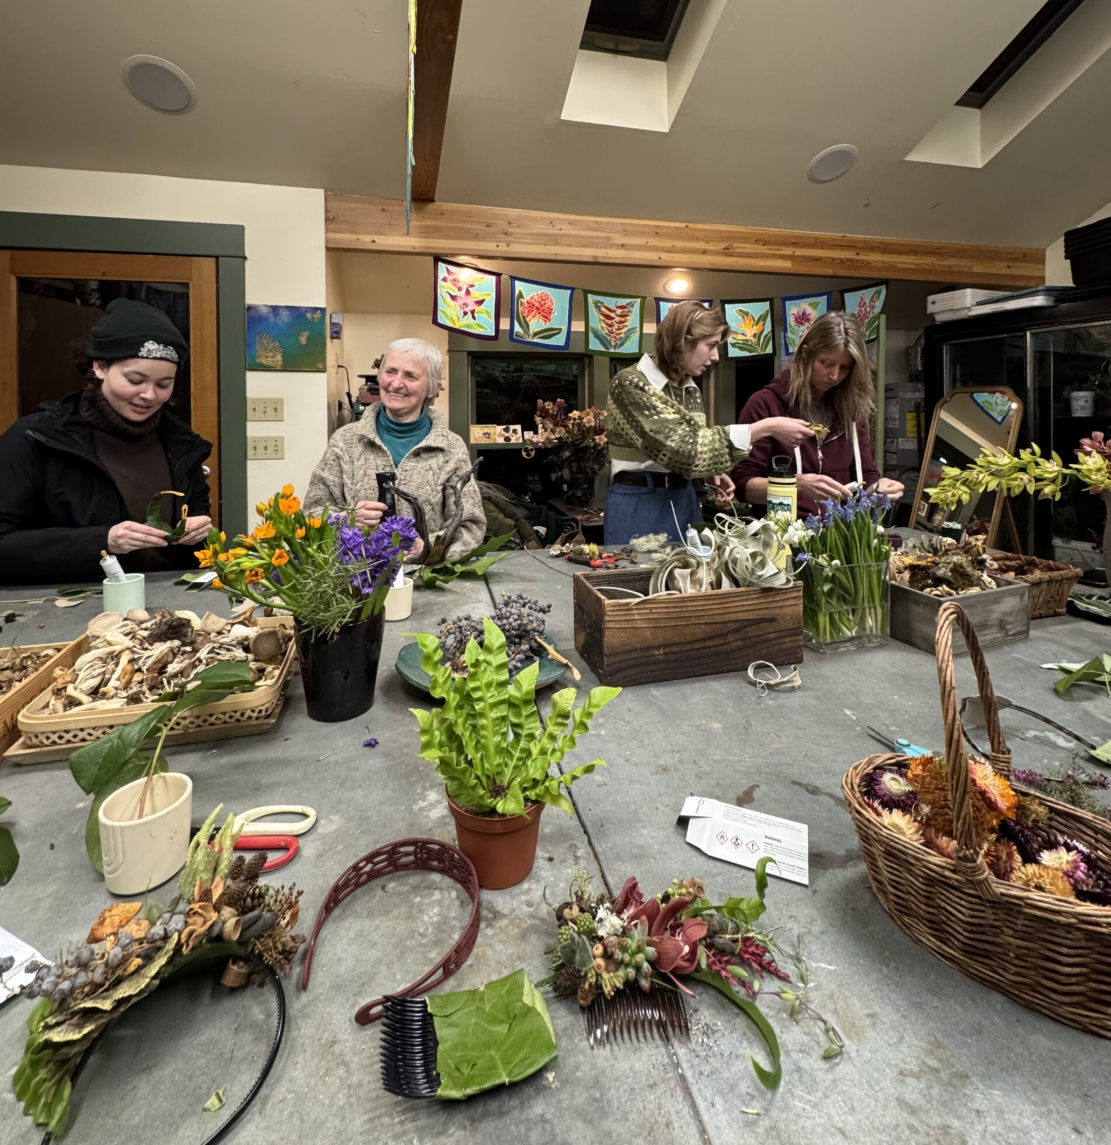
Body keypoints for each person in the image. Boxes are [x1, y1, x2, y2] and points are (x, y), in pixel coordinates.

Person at [0, 299, 213, 584]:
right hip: (67, 612)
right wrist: (103, 541)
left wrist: (199, 530)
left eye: (164, 384)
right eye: (135, 380)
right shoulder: (35, 438)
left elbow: (196, 510)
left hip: (171, 599)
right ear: (100, 367)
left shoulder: (182, 442)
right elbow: (4, 546)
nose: (150, 395)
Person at [604, 300, 813, 544]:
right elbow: (683, 449)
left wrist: (710, 473)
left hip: (684, 496)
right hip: (639, 501)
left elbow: (690, 454)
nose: (715, 357)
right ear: (682, 341)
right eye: (711, 345)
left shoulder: (690, 388)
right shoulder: (631, 383)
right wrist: (766, 427)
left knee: (692, 578)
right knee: (633, 579)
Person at [305, 337, 484, 560]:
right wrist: (346, 519)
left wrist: (427, 548)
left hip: (427, 585)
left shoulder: (451, 448)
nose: (396, 383)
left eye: (410, 376)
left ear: (432, 388)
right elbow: (311, 515)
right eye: (390, 371)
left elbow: (470, 525)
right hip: (356, 583)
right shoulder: (346, 441)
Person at [732, 311, 905, 519]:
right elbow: (743, 487)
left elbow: (864, 475)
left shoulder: (852, 410)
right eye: (826, 363)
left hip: (838, 536)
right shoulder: (766, 405)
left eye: (845, 367)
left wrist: (879, 489)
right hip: (781, 535)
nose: (834, 375)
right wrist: (797, 484)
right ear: (806, 354)